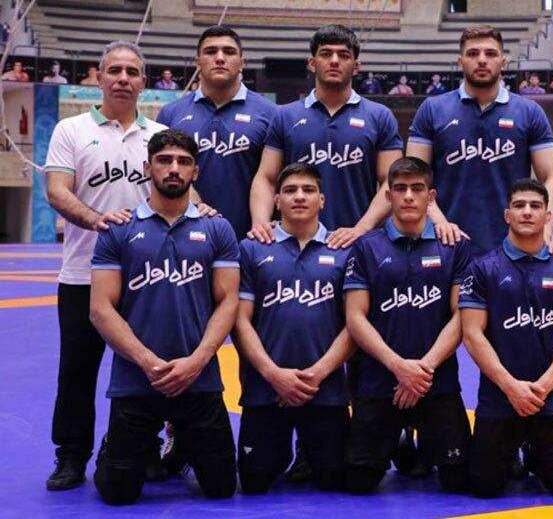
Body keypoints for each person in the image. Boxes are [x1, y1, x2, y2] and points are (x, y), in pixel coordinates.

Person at [89, 129, 240, 504]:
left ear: (195, 172)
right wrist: (147, 361)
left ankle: (183, 441)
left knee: (221, 487)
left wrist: (197, 361)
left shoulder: (217, 228)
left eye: (184, 162)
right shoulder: (118, 229)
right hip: (137, 379)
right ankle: (119, 445)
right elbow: (100, 309)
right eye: (164, 160)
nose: (174, 168)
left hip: (199, 379)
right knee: (117, 493)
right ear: (147, 167)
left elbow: (228, 301)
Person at [43, 41, 169, 491]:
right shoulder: (71, 130)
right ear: (99, 77)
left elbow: (179, 192)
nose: (123, 78)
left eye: (132, 72)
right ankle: (71, 455)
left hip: (145, 278)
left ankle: (143, 448)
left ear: (144, 82)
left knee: (143, 368)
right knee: (77, 369)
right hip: (83, 273)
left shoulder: (160, 135)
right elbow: (57, 190)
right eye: (114, 70)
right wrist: (97, 220)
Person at [342, 157, 473, 493]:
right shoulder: (366, 247)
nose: (409, 196)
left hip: (436, 380)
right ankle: (401, 436)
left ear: (431, 196)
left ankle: (421, 441)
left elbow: (462, 315)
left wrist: (422, 369)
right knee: (358, 482)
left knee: (459, 479)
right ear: (388, 196)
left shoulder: (454, 246)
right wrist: (400, 367)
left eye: (417, 188)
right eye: (400, 189)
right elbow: (355, 317)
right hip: (380, 380)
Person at [460, 178, 553, 497]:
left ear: (548, 215)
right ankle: (516, 450)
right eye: (519, 206)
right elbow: (472, 334)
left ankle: (533, 450)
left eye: (535, 206)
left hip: (552, 399)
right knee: (483, 487)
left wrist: (543, 387)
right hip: (500, 399)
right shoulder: (482, 269)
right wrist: (511, 387)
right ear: (507, 215)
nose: (527, 212)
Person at [232, 162, 353, 493]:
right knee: (255, 481)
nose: (299, 197)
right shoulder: (252, 248)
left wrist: (318, 372)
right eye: (290, 190)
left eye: (308, 190)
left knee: (337, 479)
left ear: (322, 200)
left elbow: (354, 324)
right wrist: (273, 374)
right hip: (265, 388)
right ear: (276, 200)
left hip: (324, 389)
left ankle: (309, 454)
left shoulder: (344, 251)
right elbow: (240, 321)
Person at [407, 26, 553, 257]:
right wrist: (440, 223)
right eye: (472, 53)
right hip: (445, 245)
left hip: (513, 248)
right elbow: (413, 178)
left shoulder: (530, 112)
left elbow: (551, 177)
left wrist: (545, 231)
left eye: (490, 53)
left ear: (503, 62)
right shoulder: (432, 109)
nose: (481, 60)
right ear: (460, 62)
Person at [250, 24, 404, 250]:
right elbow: (266, 178)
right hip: (294, 244)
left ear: (356, 66)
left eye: (343, 55)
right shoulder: (285, 115)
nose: (334, 61)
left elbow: (391, 182)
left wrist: (359, 230)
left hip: (356, 243)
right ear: (312, 63)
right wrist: (260, 223)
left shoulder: (379, 116)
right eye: (326, 53)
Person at [157, 26, 277, 239]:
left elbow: (274, 177)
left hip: (252, 238)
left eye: (229, 52)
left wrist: (262, 225)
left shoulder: (270, 113)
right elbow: (159, 174)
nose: (220, 58)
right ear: (198, 62)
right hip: (185, 236)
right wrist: (190, 200)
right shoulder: (171, 113)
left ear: (242, 63)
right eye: (211, 51)